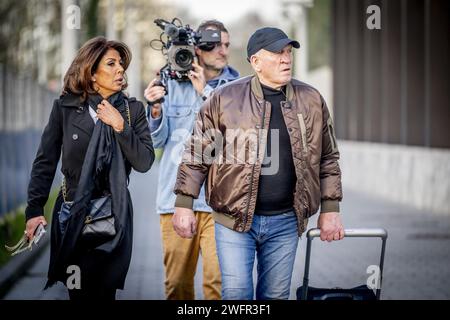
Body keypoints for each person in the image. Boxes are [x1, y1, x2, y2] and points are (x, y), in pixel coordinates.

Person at [172, 27, 344, 300]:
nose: (286, 59)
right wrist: (184, 205)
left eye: (288, 52)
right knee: (237, 295)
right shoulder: (224, 98)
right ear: (255, 62)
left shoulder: (311, 99)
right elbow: (197, 154)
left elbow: (328, 157)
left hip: (287, 220)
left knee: (275, 297)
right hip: (234, 220)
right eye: (277, 53)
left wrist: (330, 208)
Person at [24, 36, 155, 300]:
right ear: (92, 73)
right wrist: (34, 210)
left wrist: (120, 126)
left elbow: (144, 162)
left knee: (104, 293)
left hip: (113, 213)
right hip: (73, 212)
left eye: (121, 63)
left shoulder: (132, 110)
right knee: (78, 291)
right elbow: (45, 162)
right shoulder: (65, 108)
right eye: (111, 64)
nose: (120, 69)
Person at [144, 20, 239, 300]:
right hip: (175, 202)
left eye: (226, 45)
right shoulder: (169, 84)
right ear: (197, 49)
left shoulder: (237, 86)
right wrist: (156, 109)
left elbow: (237, 139)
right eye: (216, 45)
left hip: (221, 203)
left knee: (218, 287)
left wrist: (205, 94)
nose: (223, 51)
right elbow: (155, 144)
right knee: (177, 287)